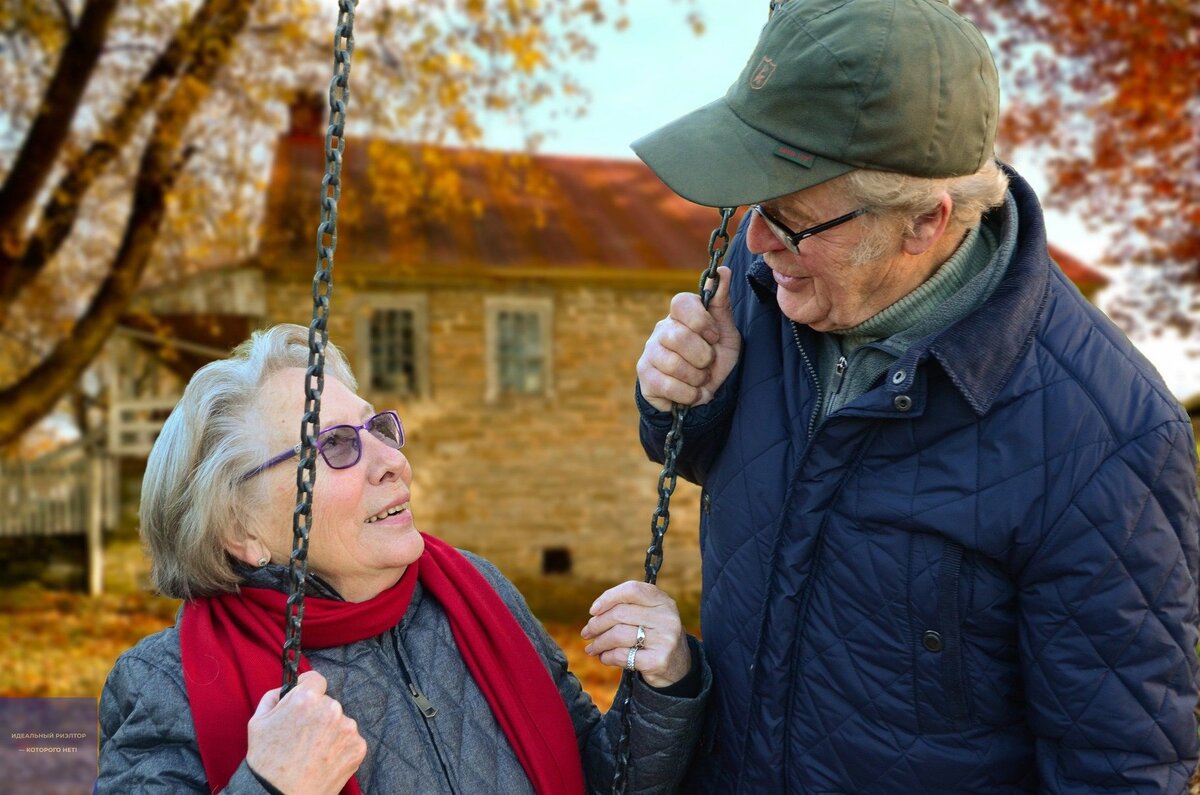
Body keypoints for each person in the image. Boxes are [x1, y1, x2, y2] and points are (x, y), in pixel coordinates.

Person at [630, 1, 1200, 792]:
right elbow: (710, 459)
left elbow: (1121, 767)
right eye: (752, 208)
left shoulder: (1108, 438)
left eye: (791, 222)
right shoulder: (773, 277)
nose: (756, 242)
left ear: (924, 223)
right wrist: (682, 397)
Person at [98, 323, 709, 794]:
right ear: (240, 529)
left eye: (378, 429)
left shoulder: (476, 594)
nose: (390, 460)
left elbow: (597, 778)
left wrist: (662, 685)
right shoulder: (165, 683)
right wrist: (270, 786)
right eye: (334, 446)